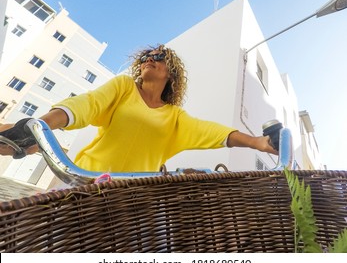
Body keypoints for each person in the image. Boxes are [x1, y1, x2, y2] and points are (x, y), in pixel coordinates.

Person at [0, 44, 277, 172]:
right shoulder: (124, 87)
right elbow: (87, 104)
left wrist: (257, 142)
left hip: (133, 196)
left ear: (171, 75)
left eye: (158, 57)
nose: (149, 59)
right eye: (146, 56)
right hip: (86, 182)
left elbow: (213, 132)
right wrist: (40, 125)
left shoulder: (174, 117)